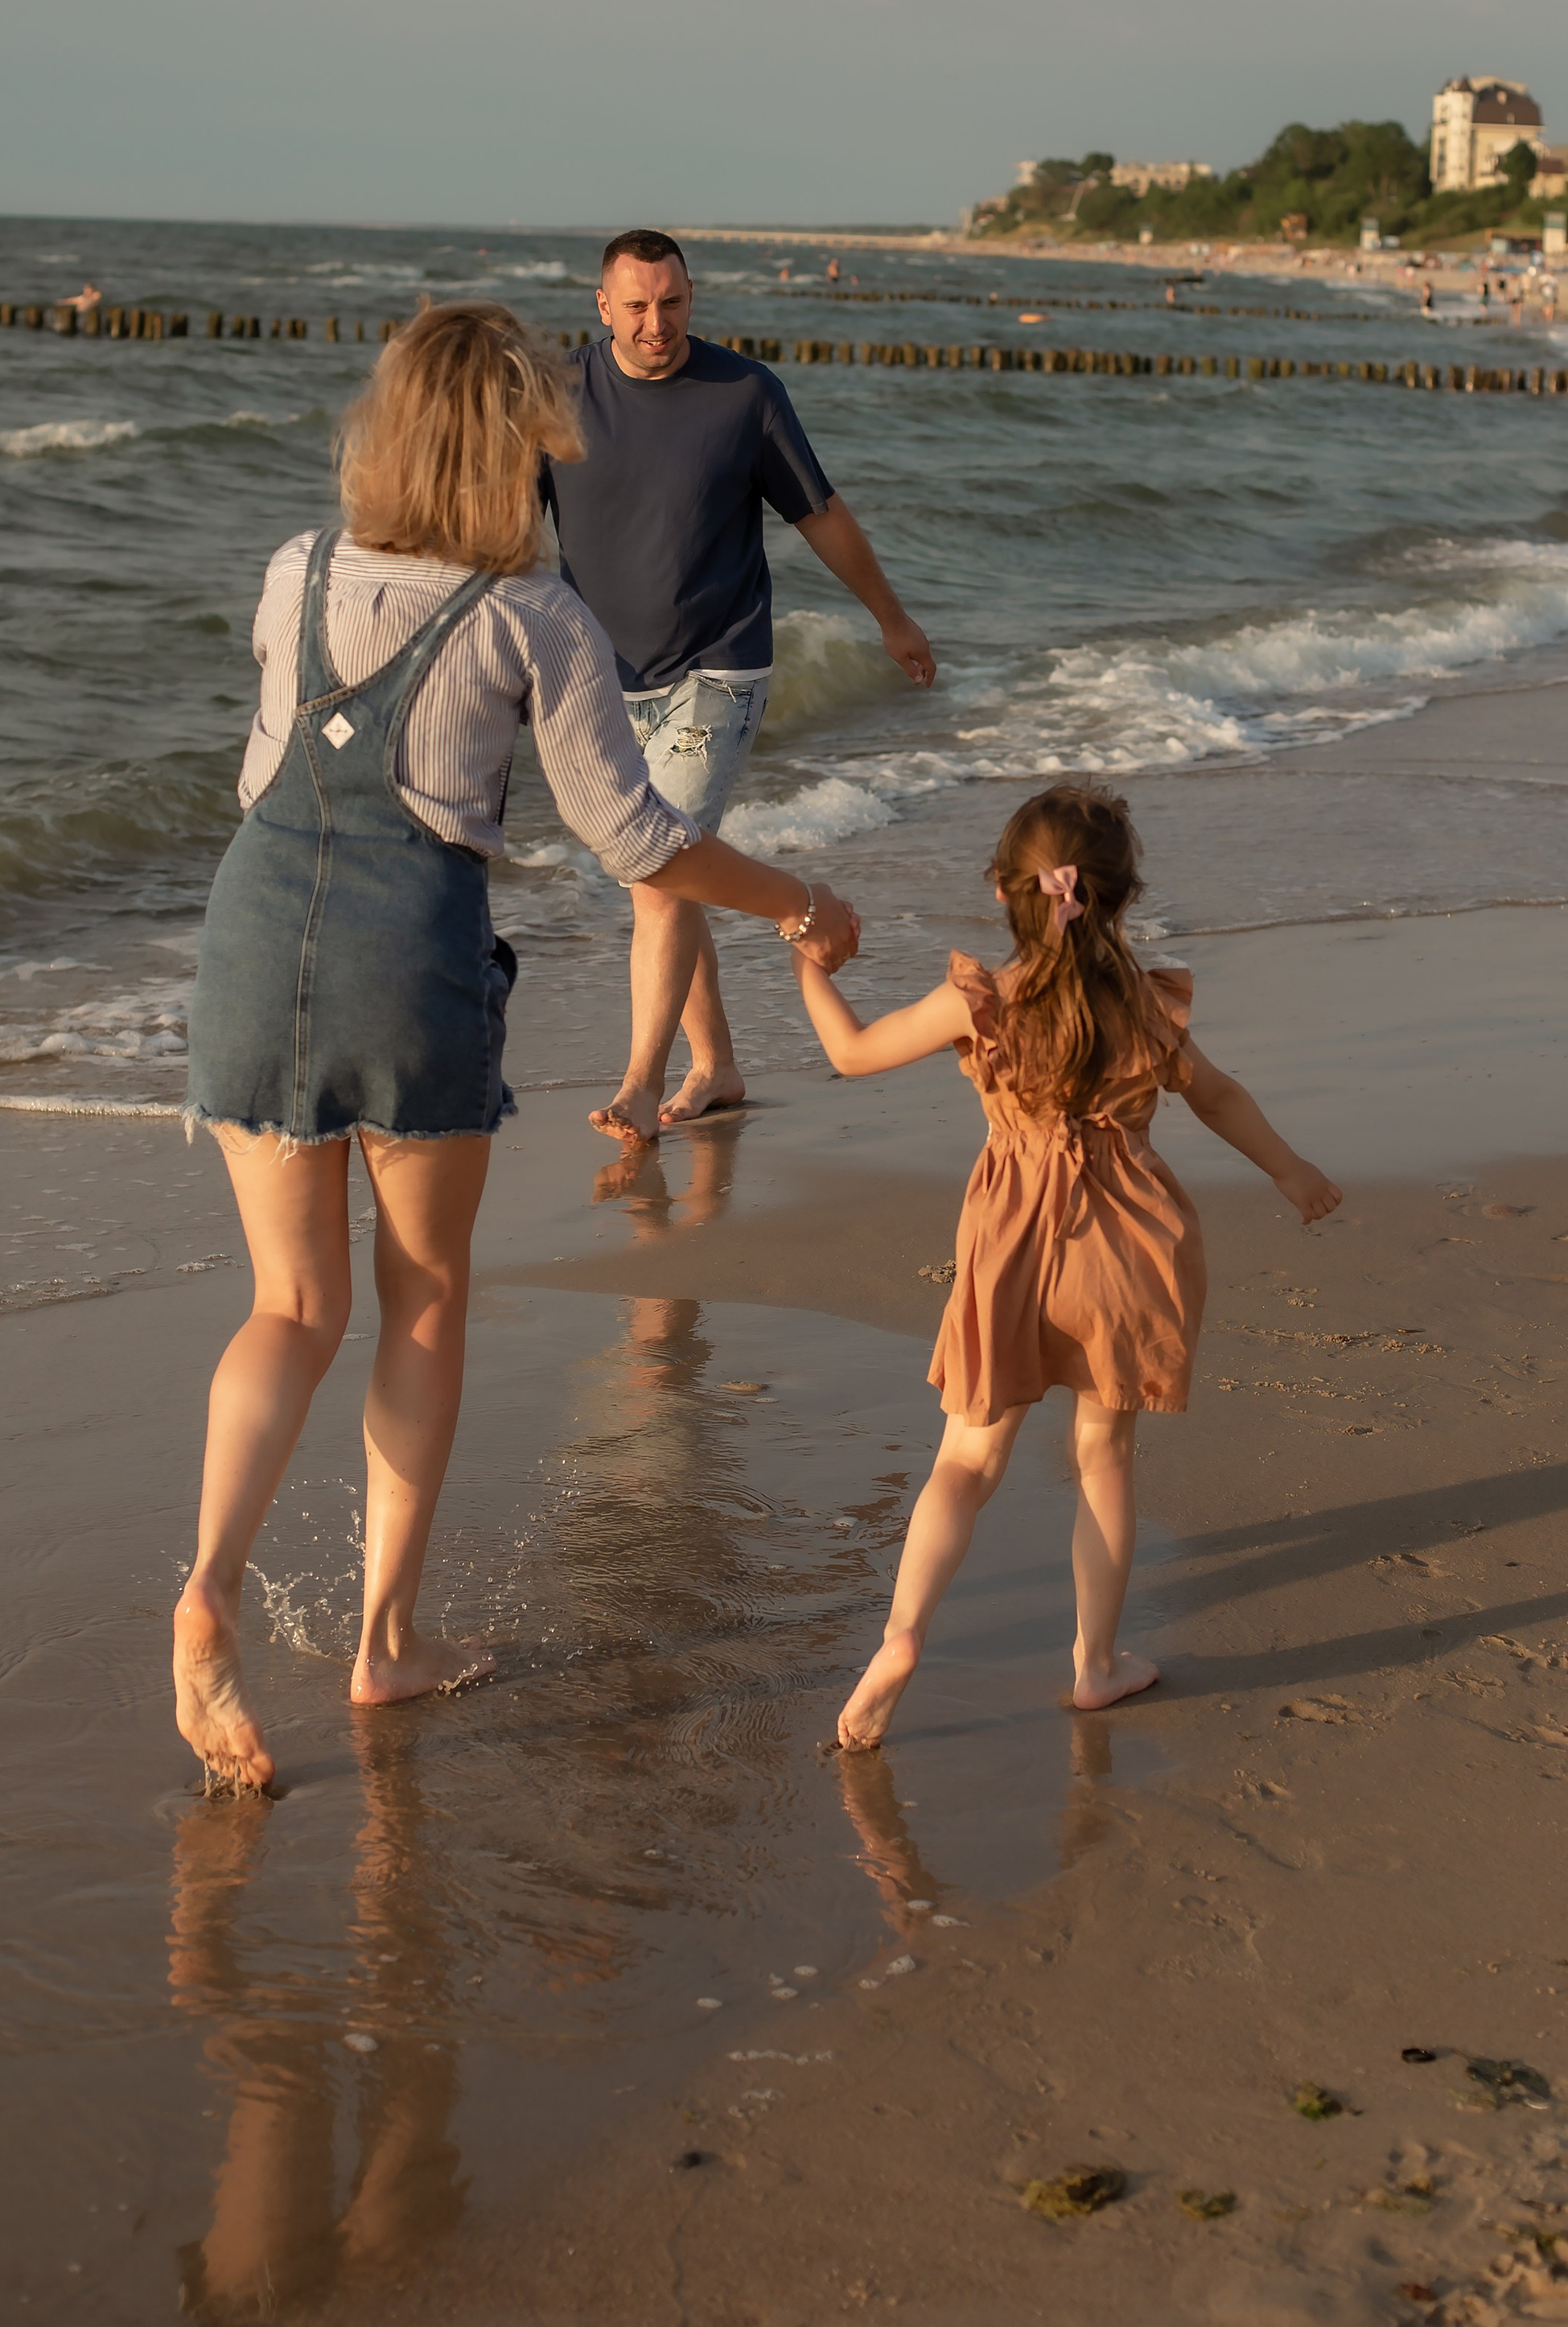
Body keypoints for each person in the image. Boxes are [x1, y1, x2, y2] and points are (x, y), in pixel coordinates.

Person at [173, 303, 859, 1793]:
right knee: (420, 1302)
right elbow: (637, 839)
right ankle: (385, 1644)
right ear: (511, 448)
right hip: (405, 956)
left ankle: (209, 1584)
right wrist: (800, 900)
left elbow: (262, 770)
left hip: (251, 935)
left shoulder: (295, 570)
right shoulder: (533, 616)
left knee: (289, 1304)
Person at [788, 781, 1340, 1748]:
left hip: (1008, 1243)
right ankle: (1095, 1665)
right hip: (1125, 1247)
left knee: (966, 1460)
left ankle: (902, 1637)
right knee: (1103, 1457)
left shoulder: (979, 1002)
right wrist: (1291, 1172)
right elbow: (1216, 1096)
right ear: (1122, 897)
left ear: (1002, 891)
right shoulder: (1145, 1005)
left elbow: (853, 1052)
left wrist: (811, 968)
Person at [541, 229, 932, 1145]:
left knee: (657, 871)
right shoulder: (554, 395)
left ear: (692, 296)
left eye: (672, 302)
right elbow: (500, 521)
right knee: (672, 865)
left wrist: (891, 616)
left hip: (718, 665)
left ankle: (640, 1085)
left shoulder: (745, 393)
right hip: (597, 672)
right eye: (636, 307)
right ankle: (716, 1065)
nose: (656, 324)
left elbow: (818, 513)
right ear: (602, 307)